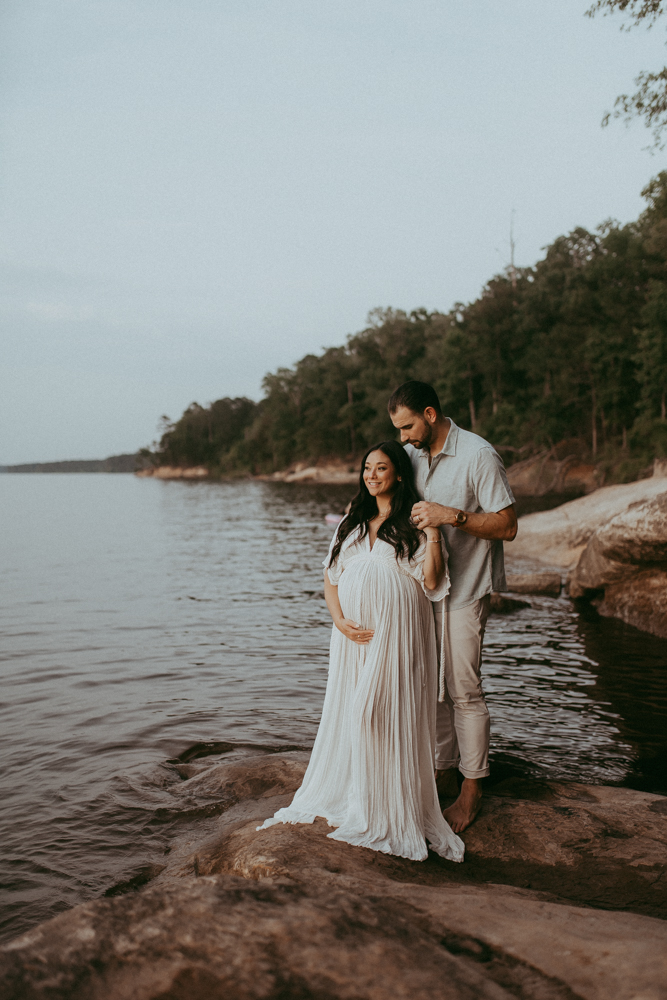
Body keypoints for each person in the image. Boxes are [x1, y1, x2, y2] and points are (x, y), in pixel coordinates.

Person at [257, 440, 465, 863]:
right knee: (355, 710)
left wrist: (434, 535)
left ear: (399, 475)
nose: (371, 475)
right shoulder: (352, 522)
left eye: (381, 468)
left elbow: (431, 582)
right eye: (367, 468)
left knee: (377, 710)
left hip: (399, 630)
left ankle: (388, 805)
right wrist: (338, 619)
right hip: (352, 636)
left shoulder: (413, 520)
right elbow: (331, 578)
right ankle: (360, 795)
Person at [388, 381, 517, 834]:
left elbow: (507, 526)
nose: (403, 437)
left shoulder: (479, 455)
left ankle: (472, 787)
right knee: (432, 688)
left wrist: (453, 516)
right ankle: (442, 770)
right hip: (424, 589)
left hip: (466, 590)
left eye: (407, 427)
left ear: (429, 413)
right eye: (398, 431)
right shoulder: (413, 456)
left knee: (464, 689)